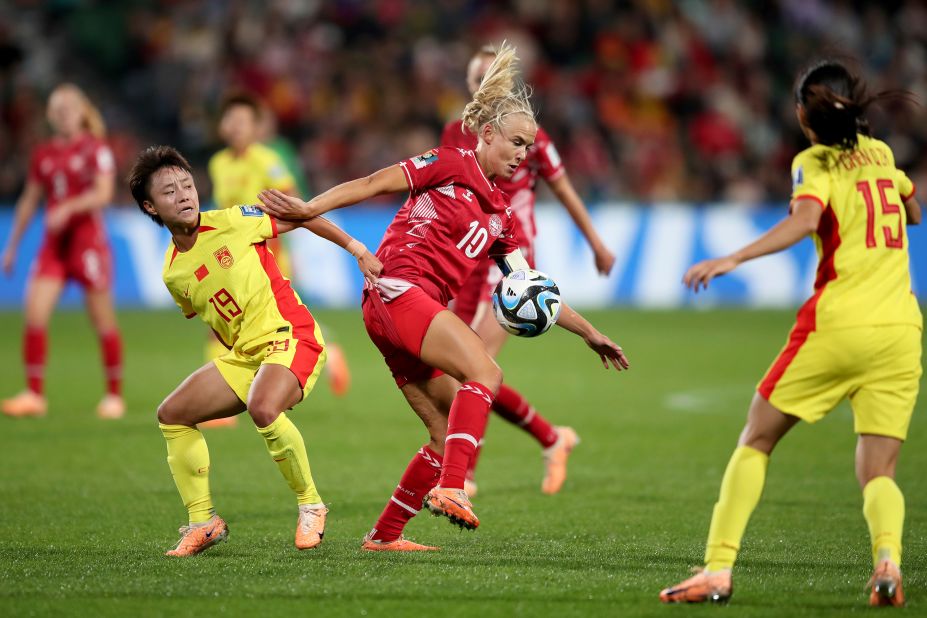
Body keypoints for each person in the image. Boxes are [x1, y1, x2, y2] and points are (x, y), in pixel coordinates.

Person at [257, 42, 630, 552]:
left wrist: (591, 333)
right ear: (488, 133)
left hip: (398, 308)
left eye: (529, 147)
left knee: (442, 429)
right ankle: (453, 487)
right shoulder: (449, 162)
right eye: (516, 142)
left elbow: (531, 289)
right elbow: (371, 183)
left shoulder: (502, 218)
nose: (523, 155)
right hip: (399, 291)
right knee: (487, 374)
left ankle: (384, 536)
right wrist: (306, 209)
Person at [660, 61, 921, 607]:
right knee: (879, 469)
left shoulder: (813, 162)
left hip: (839, 321)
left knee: (756, 437)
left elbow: (805, 221)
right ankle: (888, 563)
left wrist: (733, 256)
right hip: (900, 329)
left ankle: (718, 568)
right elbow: (912, 209)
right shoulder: (884, 156)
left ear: (805, 114)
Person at [128, 145, 381, 556]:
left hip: (293, 335)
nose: (185, 195)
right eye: (170, 192)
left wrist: (357, 249)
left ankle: (311, 505)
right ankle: (203, 522)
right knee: (172, 415)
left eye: (188, 185)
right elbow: (215, 320)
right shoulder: (173, 272)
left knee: (263, 407)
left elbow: (302, 216)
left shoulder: (233, 221)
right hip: (248, 355)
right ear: (150, 206)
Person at [441, 45, 617, 497]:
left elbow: (564, 189)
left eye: (490, 76)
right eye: (476, 76)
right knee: (460, 367)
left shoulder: (528, 137)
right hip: (467, 258)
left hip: (511, 257)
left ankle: (466, 475)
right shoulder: (453, 133)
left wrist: (596, 242)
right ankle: (551, 437)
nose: (482, 83)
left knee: (475, 363)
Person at [208, 92, 351, 411]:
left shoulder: (267, 160)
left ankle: (325, 351)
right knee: (231, 322)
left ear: (255, 127)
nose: (235, 126)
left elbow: (293, 198)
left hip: (265, 251)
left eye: (242, 121)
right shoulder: (218, 164)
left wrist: (274, 232)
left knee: (276, 323)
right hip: (230, 255)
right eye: (229, 120)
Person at [1, 83, 125, 420]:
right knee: (35, 313)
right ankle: (34, 395)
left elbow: (103, 193)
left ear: (81, 112)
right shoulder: (43, 153)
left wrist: (69, 207)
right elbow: (29, 199)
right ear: (50, 115)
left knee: (102, 320)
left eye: (69, 108)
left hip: (88, 243)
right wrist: (11, 245)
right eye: (57, 109)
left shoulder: (95, 148)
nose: (63, 114)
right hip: (54, 245)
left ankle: (114, 396)